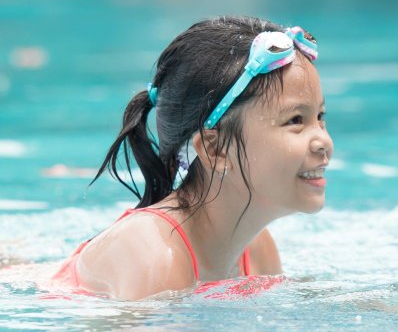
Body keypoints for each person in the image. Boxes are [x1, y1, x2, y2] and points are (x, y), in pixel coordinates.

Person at [52, 16, 333, 300]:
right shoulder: (156, 256)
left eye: (320, 117)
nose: (324, 142)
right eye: (295, 120)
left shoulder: (256, 249)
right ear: (215, 149)